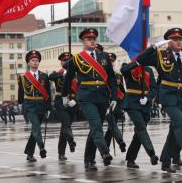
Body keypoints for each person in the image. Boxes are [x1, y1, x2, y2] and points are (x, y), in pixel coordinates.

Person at [136, 28, 182, 173]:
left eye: (181, 39)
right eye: (175, 39)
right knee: (180, 124)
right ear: (168, 42)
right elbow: (140, 60)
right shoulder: (160, 55)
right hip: (168, 96)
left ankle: (166, 161)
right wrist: (154, 47)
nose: (179, 41)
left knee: (175, 131)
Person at [62, 28, 117, 171]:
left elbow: (111, 77)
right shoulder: (76, 59)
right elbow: (68, 79)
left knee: (94, 129)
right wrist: (64, 96)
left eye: (94, 38)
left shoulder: (103, 56)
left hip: (103, 97)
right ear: (83, 42)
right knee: (96, 125)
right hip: (86, 97)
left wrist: (114, 97)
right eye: (88, 39)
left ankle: (89, 160)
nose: (92, 41)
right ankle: (105, 153)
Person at [121, 61, 159, 169]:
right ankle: (152, 154)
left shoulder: (148, 70)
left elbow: (154, 88)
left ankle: (130, 159)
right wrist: (136, 63)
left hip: (145, 104)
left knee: (138, 134)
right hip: (132, 103)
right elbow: (123, 70)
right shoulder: (128, 67)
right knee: (141, 128)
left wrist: (148, 98)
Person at [18, 50, 52, 162]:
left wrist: (48, 108)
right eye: (33, 60)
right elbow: (20, 93)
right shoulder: (24, 77)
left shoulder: (44, 76)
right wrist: (20, 106)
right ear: (29, 62)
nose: (35, 62)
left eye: (37, 60)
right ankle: (41, 148)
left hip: (41, 106)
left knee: (35, 131)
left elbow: (48, 93)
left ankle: (29, 153)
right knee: (36, 127)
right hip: (30, 106)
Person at [49, 52, 77, 161]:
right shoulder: (59, 73)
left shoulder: (77, 74)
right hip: (60, 101)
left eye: (67, 60)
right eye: (63, 61)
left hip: (72, 102)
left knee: (64, 128)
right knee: (66, 124)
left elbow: (80, 88)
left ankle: (61, 153)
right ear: (61, 62)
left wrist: (75, 100)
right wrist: (64, 74)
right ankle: (71, 141)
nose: (65, 62)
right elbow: (50, 76)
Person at [102, 52, 126, 154]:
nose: (111, 63)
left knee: (111, 128)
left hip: (115, 104)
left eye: (112, 61)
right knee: (112, 125)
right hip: (104, 102)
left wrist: (123, 105)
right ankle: (120, 141)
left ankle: (105, 148)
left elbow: (122, 91)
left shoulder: (118, 75)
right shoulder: (100, 74)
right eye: (109, 61)